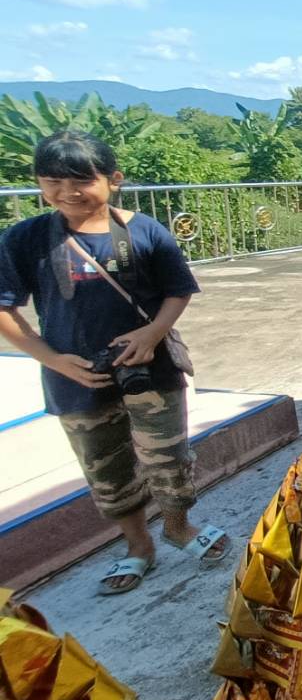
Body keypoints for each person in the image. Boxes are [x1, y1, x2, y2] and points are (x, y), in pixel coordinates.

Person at [0, 131, 230, 595]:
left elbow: (177, 290)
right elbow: (5, 308)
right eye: (51, 182)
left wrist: (152, 334)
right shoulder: (26, 238)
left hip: (151, 369)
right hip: (75, 377)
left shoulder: (143, 231)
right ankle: (137, 546)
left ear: (113, 180)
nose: (66, 193)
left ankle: (178, 527)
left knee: (167, 458)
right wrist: (52, 360)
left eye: (80, 181)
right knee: (105, 468)